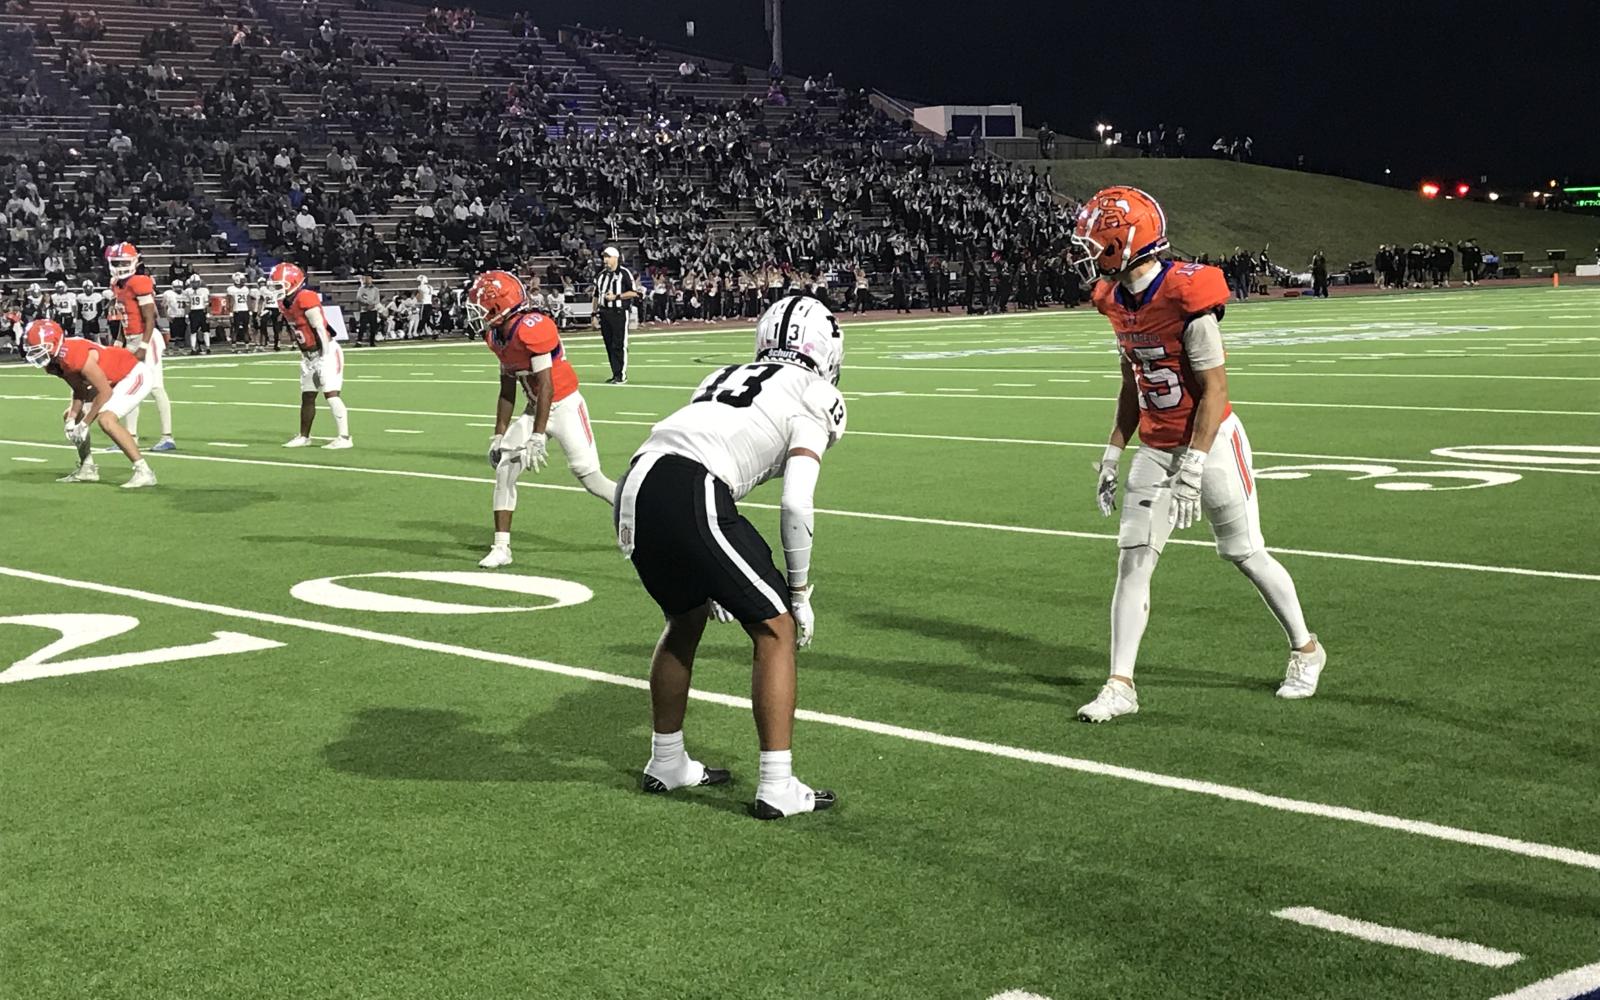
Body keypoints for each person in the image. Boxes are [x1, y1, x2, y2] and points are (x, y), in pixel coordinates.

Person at [1069, 186, 1325, 723]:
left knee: (1244, 553)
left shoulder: (1189, 292)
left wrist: (1193, 464)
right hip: (1156, 445)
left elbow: (1215, 391)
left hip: (1210, 442)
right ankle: (1120, 684)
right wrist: (1114, 450)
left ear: (1125, 240)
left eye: (1097, 240)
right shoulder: (1112, 299)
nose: (1090, 251)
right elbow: (1132, 381)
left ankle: (1305, 649)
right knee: (1132, 561)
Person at [613, 295, 847, 820]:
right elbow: (795, 499)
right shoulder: (817, 393)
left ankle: (667, 761)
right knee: (776, 628)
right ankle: (777, 785)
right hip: (690, 488)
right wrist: (801, 592)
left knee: (685, 619)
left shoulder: (726, 372)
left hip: (638, 481)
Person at [466, 270, 616, 569]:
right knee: (505, 469)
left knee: (591, 479)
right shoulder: (496, 335)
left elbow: (546, 386)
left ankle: (642, 513)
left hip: (564, 406)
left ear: (499, 306)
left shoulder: (532, 327)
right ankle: (502, 547)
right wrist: (499, 435)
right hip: (536, 409)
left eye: (481, 307)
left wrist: (537, 435)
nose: (477, 314)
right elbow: (507, 389)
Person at [23, 319, 157, 488]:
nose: (37, 355)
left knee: (106, 420)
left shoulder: (73, 355)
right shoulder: (55, 361)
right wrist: (72, 419)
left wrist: (85, 424)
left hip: (132, 373)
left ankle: (144, 471)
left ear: (55, 343)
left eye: (41, 349)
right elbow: (80, 391)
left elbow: (105, 392)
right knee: (71, 415)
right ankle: (87, 468)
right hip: (110, 379)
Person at [272, 262, 353, 449]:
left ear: (292, 282)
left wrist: (323, 356)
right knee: (307, 396)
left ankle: (345, 437)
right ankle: (304, 436)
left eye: (279, 285)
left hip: (327, 351)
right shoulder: (285, 302)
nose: (276, 290)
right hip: (309, 356)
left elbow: (319, 327)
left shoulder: (305, 297)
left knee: (331, 394)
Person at [106, 242, 175, 451]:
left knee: (155, 387)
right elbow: (123, 317)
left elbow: (150, 316)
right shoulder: (116, 284)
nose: (120, 265)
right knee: (128, 388)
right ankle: (130, 436)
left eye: (124, 262)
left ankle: (167, 436)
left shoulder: (140, 281)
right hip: (131, 337)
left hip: (147, 338)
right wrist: (119, 341)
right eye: (117, 262)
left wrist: (144, 344)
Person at [594, 246, 636, 383]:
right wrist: (594, 314)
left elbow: (634, 292)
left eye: (607, 257)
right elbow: (596, 296)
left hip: (619, 313)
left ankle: (621, 375)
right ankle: (615, 373)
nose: (605, 260)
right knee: (609, 344)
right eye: (604, 257)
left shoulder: (624, 273)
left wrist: (616, 297)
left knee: (619, 344)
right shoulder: (601, 275)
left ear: (615, 258)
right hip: (604, 313)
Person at [185, 274, 211, 353]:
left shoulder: (204, 291)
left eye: (196, 282)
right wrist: (186, 315)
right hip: (193, 312)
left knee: (206, 331)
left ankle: (208, 347)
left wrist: (208, 314)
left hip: (202, 312)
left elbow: (208, 303)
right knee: (193, 332)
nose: (195, 284)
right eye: (193, 282)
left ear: (199, 282)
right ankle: (193, 348)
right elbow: (188, 304)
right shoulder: (188, 291)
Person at [227, 272, 251, 348]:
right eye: (242, 280)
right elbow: (230, 302)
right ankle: (244, 346)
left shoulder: (244, 289)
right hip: (241, 310)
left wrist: (230, 313)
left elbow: (230, 302)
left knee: (239, 329)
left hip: (239, 310)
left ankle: (236, 346)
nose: (243, 281)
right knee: (241, 329)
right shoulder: (234, 289)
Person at [355, 274, 380, 345]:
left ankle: (372, 341)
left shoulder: (376, 289)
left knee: (373, 327)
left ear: (372, 280)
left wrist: (372, 305)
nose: (368, 280)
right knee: (362, 326)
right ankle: (359, 341)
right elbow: (359, 298)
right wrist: (366, 303)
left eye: (369, 279)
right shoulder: (361, 289)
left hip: (373, 310)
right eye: (367, 279)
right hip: (364, 310)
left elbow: (377, 299)